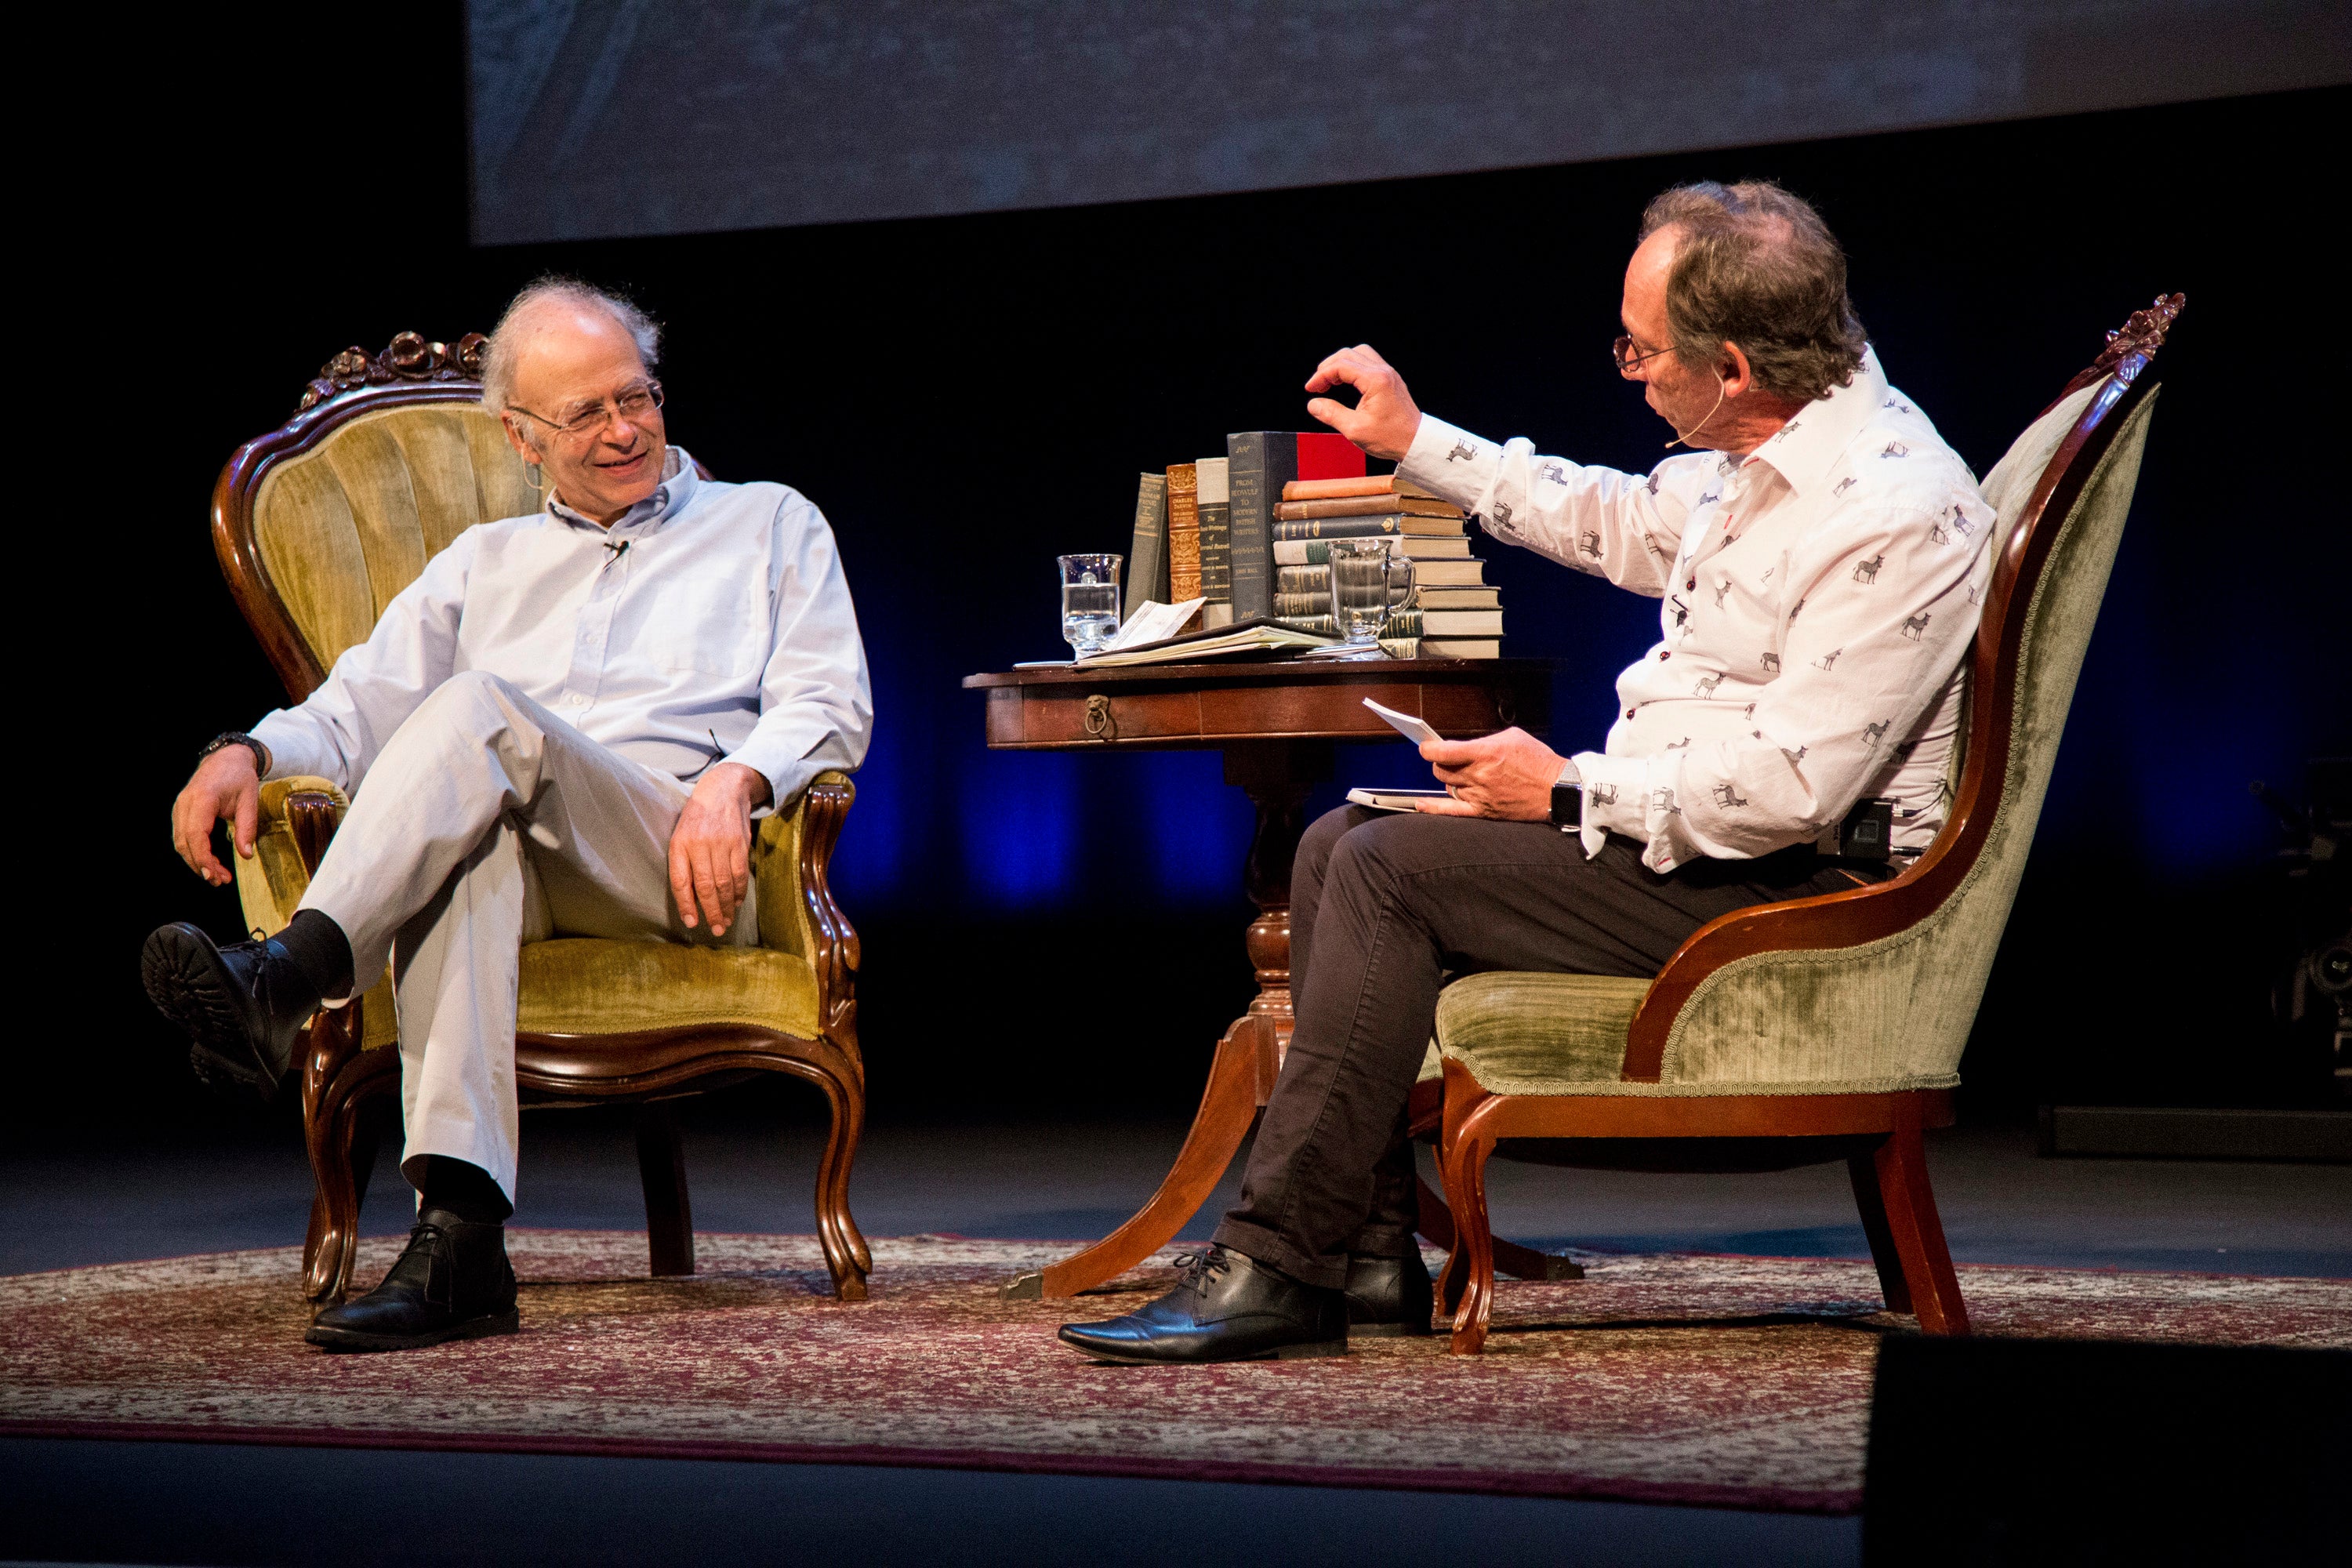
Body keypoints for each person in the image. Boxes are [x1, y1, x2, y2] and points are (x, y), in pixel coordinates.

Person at [1060, 180, 1995, 1364]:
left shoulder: (1892, 507)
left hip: (1791, 893)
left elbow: (1788, 794)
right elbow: (1609, 519)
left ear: (1736, 367)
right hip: (1702, 843)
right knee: (1340, 836)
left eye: (1642, 351)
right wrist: (1414, 440)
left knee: (1389, 867)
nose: (1630, 372)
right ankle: (1365, 1255)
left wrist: (1564, 790)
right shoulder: (1766, 452)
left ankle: (1277, 1259)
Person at [143, 279, 872, 1352]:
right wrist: (244, 751)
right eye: (586, 414)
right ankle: (461, 1245)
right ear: (521, 438)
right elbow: (351, 713)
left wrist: (741, 781)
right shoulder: (482, 563)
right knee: (464, 840)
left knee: (479, 709)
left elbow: (829, 702)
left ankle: (289, 975)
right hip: (526, 866)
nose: (624, 430)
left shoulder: (767, 522)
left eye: (637, 397)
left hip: (670, 856)